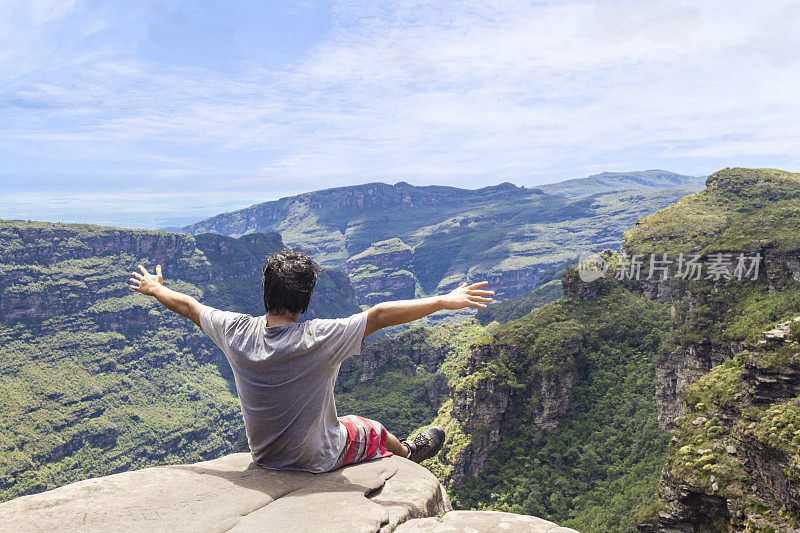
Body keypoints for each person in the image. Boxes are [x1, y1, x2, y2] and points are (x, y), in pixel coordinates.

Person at [128, 248, 494, 473]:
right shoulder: (318, 337)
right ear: (305, 301)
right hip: (317, 459)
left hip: (265, 456)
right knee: (371, 427)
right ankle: (410, 453)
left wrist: (156, 288)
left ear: (265, 291)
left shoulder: (234, 331)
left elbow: (190, 306)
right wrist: (444, 301)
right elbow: (380, 314)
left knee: (345, 419)